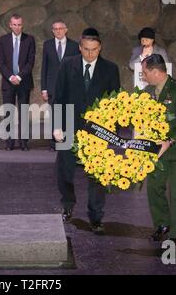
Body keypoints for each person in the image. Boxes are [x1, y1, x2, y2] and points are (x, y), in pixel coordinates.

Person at [53, 28, 120, 233]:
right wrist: (57, 126)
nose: (90, 54)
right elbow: (59, 97)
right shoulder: (67, 64)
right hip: (69, 126)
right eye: (87, 49)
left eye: (95, 50)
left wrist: (111, 131)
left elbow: (115, 102)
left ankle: (96, 216)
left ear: (100, 48)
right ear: (80, 48)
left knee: (98, 176)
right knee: (64, 171)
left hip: (98, 130)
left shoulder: (110, 69)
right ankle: (67, 205)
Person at [141, 54, 176, 247]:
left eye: (145, 72)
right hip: (158, 149)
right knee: (154, 187)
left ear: (156, 72)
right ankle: (161, 224)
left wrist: (170, 141)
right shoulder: (147, 91)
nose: (143, 76)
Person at [0, 14, 36, 151]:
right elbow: (1, 63)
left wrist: (19, 77)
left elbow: (30, 62)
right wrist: (10, 77)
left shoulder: (29, 40)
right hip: (8, 83)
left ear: (22, 24)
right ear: (10, 25)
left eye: (19, 24)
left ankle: (23, 142)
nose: (17, 27)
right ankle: (9, 142)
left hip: (23, 82)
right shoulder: (3, 40)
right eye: (14, 24)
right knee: (9, 113)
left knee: (23, 113)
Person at [41, 20, 80, 151]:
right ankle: (54, 143)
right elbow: (44, 67)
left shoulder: (74, 46)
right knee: (54, 115)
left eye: (60, 28)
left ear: (66, 30)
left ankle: (66, 141)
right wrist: (44, 88)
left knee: (67, 114)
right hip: (52, 87)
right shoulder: (47, 45)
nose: (58, 31)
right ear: (52, 31)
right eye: (55, 29)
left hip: (69, 86)